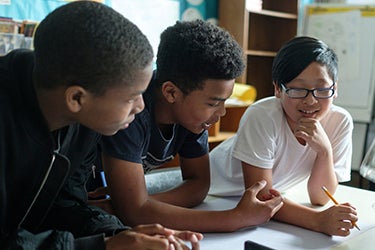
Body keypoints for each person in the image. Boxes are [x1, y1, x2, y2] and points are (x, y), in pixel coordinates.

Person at [0, 1, 202, 249]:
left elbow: (63, 203)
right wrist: (102, 247)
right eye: (131, 97)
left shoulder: (84, 119)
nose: (140, 107)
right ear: (76, 98)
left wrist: (117, 234)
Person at [94, 19, 283, 233]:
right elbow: (134, 214)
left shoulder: (192, 118)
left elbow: (198, 186)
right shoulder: (132, 112)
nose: (221, 113)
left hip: (107, 207)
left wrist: (141, 203)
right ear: (171, 92)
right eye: (213, 103)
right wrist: (234, 219)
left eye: (225, 101)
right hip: (78, 206)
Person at [209, 36, 358, 236]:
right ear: (278, 89)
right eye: (298, 89)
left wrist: (324, 152)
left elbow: (319, 197)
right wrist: (318, 221)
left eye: (322, 89)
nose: (311, 100)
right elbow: (261, 198)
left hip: (270, 206)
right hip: (215, 195)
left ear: (335, 89)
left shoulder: (340, 121)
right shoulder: (262, 115)